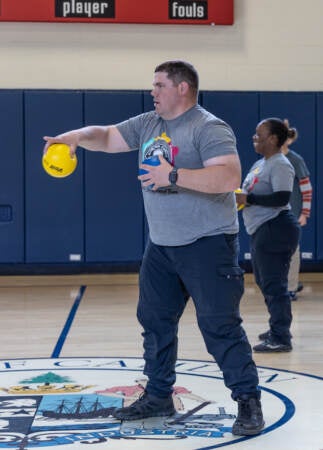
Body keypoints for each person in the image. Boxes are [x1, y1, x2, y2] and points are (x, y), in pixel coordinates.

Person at [42, 60, 264, 436]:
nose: (153, 91)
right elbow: (108, 136)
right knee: (155, 323)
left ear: (182, 88)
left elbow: (228, 176)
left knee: (219, 327)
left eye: (159, 85)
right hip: (161, 247)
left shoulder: (208, 127)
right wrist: (75, 137)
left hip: (208, 245)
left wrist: (173, 175)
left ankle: (248, 402)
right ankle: (158, 395)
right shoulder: (149, 124)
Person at [235, 118, 300, 353]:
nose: (254, 138)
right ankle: (276, 327)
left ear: (272, 139)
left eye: (258, 135)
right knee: (265, 281)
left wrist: (248, 199)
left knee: (274, 284)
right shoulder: (261, 163)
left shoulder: (280, 164)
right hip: (262, 229)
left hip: (276, 228)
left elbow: (281, 198)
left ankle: (281, 337)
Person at [281, 120, 313, 300]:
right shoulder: (269, 159)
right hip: (274, 214)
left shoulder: (295, 160)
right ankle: (285, 283)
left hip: (291, 214)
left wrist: (304, 213)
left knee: (292, 251)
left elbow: (306, 188)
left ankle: (291, 287)